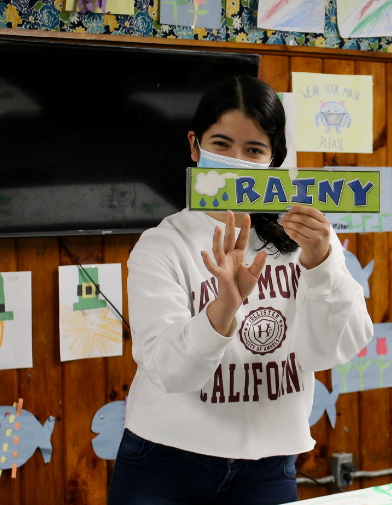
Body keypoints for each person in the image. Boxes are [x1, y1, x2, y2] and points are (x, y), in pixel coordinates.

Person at [108, 75, 373, 505]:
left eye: (254, 150)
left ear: (274, 160)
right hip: (164, 464)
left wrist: (323, 264)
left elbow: (332, 352)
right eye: (221, 144)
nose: (235, 161)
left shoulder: (307, 239)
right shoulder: (162, 245)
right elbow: (169, 371)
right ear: (195, 146)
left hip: (269, 466)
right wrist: (223, 308)